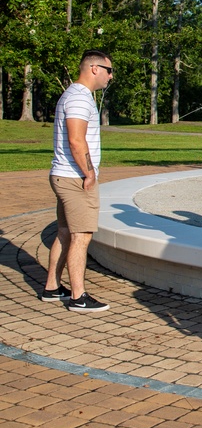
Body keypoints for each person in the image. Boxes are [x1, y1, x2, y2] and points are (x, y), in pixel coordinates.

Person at [43, 50, 114, 312]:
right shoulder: (79, 99)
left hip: (64, 175)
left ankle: (52, 287)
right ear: (95, 68)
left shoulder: (74, 95)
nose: (110, 76)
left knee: (64, 233)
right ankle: (78, 296)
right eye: (109, 70)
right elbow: (76, 139)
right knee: (81, 237)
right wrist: (89, 172)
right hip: (75, 178)